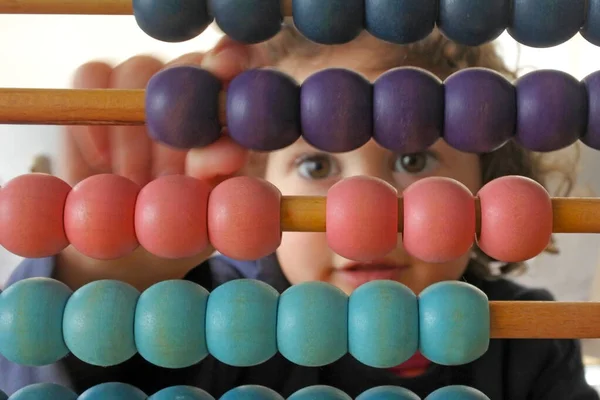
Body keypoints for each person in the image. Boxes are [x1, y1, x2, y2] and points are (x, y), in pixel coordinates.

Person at [0, 21, 596, 400]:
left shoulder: (530, 341)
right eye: (316, 166)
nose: (370, 214)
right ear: (256, 188)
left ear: (487, 179)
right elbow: (47, 371)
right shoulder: (214, 325)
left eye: (415, 161)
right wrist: (105, 280)